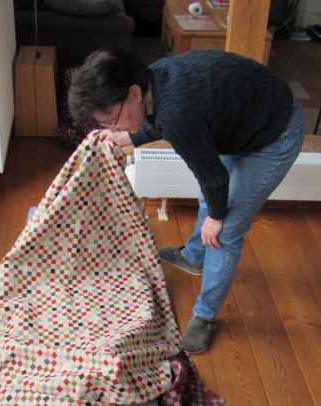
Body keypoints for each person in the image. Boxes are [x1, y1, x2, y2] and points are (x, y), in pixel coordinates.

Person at [68, 48, 305, 354]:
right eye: (108, 126)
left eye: (113, 121)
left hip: (276, 134)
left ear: (134, 93)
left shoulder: (177, 112)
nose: (115, 129)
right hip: (244, 121)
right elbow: (176, 129)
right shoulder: (153, 79)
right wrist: (132, 137)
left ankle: (205, 315)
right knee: (211, 200)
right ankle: (194, 257)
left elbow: (213, 176)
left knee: (224, 232)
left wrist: (217, 218)